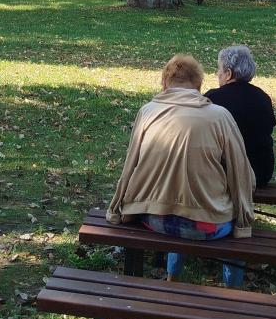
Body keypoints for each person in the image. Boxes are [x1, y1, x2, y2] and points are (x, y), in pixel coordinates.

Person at [107, 55, 255, 287]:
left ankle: (172, 277)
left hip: (154, 218)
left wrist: (116, 209)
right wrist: (243, 222)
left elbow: (129, 166)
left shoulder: (147, 112)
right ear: (198, 85)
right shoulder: (220, 116)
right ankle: (233, 291)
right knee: (217, 209)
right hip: (208, 226)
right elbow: (242, 175)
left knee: (177, 200)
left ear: (164, 83)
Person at [204, 45, 276, 187]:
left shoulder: (213, 98)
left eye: (219, 69)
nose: (218, 73)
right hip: (260, 173)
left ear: (228, 73)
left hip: (227, 174)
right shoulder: (262, 97)